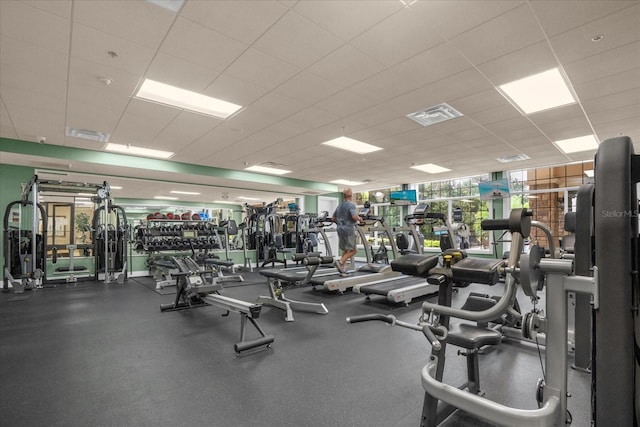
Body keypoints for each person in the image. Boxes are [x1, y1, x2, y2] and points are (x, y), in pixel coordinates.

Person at [331, 188, 361, 275]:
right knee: (354, 250)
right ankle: (340, 262)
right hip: (348, 230)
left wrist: (340, 222)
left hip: (340, 229)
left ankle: (342, 268)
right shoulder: (351, 205)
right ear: (351, 195)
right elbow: (354, 217)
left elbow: (333, 218)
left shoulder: (340, 205)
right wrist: (360, 219)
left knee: (345, 249)